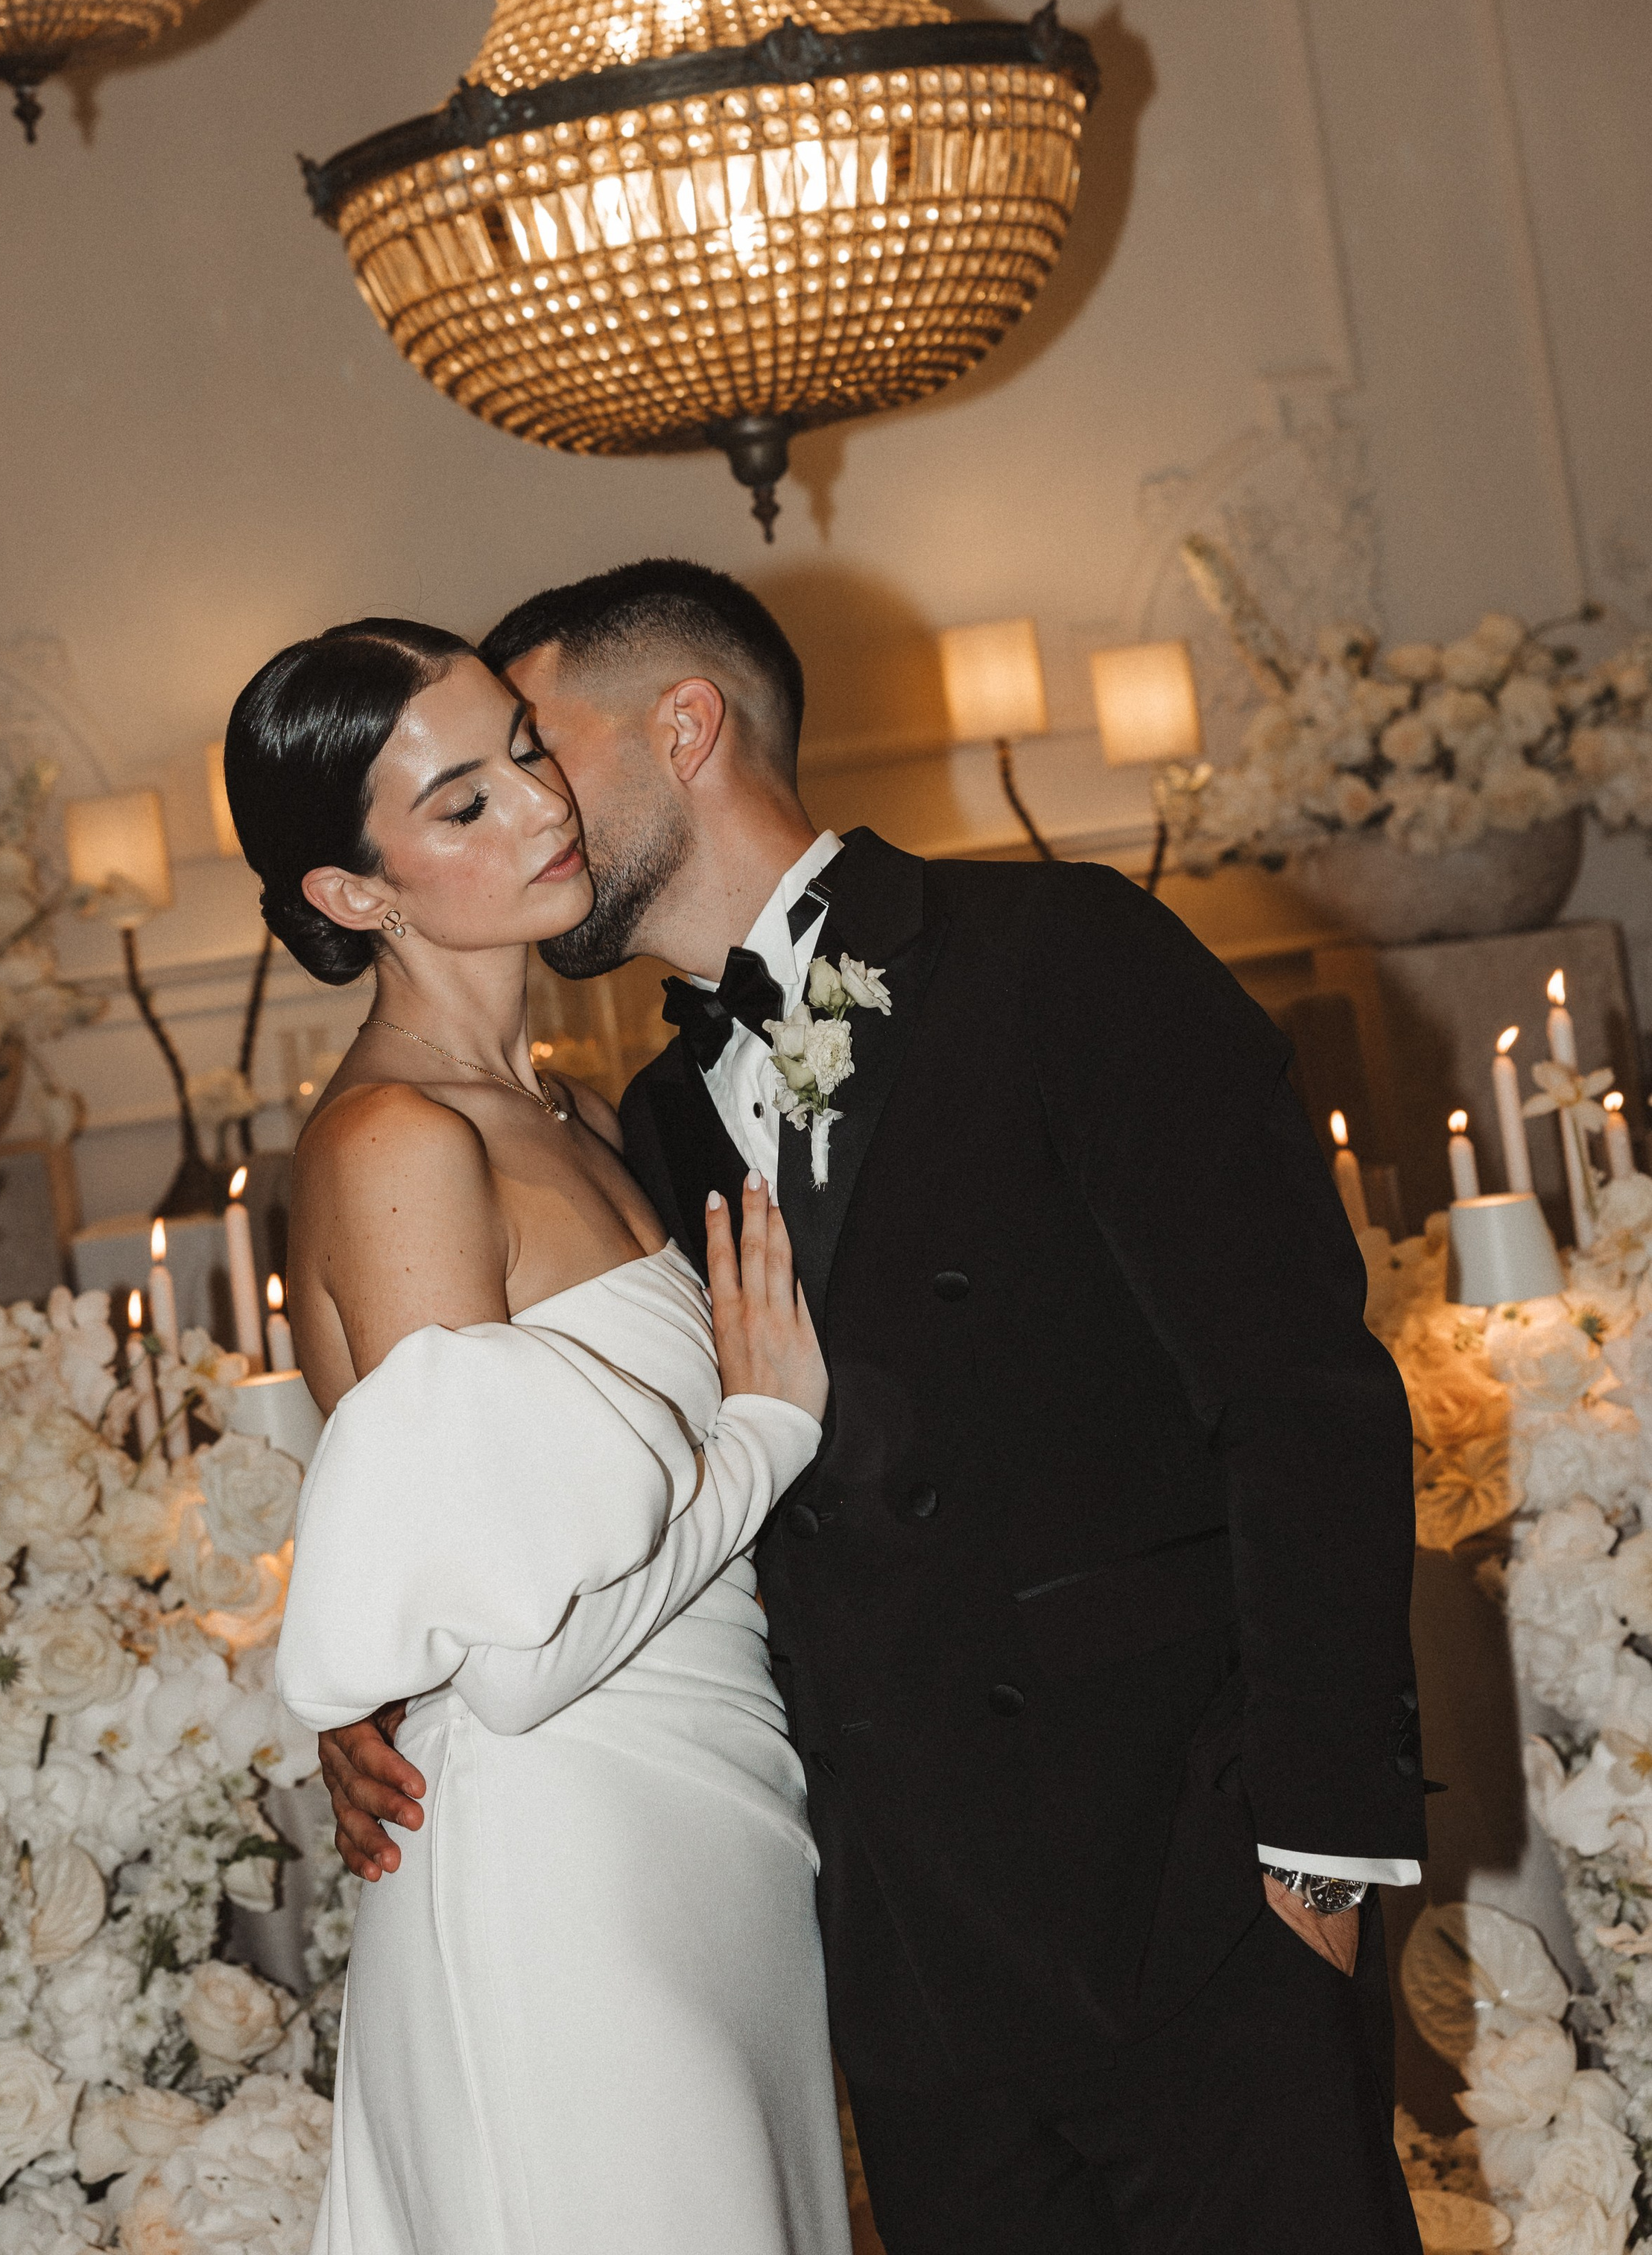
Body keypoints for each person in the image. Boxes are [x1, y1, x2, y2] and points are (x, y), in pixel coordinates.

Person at [320, 558, 1428, 2255]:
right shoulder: (654, 1122)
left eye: (537, 747)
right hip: (894, 1964)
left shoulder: (1059, 954)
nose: (530, 798)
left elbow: (1298, 1402)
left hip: (1186, 1899)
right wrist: (393, 1681)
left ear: (683, 727)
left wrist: (1321, 1854)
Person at [230, 618, 854, 2255]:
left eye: (520, 743)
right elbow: (517, 1659)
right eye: (457, 803)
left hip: (707, 1825)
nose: (534, 803)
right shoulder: (390, 1141)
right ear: (351, 895)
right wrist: (767, 1435)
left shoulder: (576, 1110)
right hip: (556, 1854)